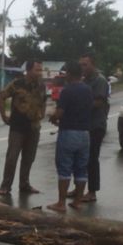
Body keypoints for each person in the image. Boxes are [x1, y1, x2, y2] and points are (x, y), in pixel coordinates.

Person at [47, 62, 93, 212]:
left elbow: (60, 112)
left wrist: (53, 118)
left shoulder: (67, 91)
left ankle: (61, 203)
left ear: (70, 74)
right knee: (81, 169)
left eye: (66, 73)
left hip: (69, 133)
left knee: (64, 168)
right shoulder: (88, 90)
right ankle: (78, 201)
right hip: (85, 134)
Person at [0, 59, 46, 196]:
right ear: (29, 70)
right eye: (37, 70)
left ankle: (24, 184)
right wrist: (3, 116)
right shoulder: (17, 84)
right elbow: (1, 97)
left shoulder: (41, 86)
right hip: (17, 127)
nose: (39, 73)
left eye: (40, 70)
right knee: (12, 157)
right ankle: (5, 186)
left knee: (29, 157)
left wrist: (42, 113)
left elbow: (44, 101)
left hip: (34, 127)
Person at [73, 53, 110, 202]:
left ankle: (92, 191)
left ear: (92, 65)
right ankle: (78, 188)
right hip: (83, 125)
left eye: (85, 64)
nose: (82, 67)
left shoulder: (99, 81)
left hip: (95, 125)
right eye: (80, 64)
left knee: (92, 159)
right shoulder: (83, 81)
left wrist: (79, 107)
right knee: (79, 158)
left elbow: (98, 102)